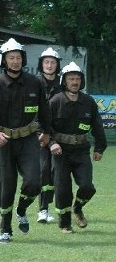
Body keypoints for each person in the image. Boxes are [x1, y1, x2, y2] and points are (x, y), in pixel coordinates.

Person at [0, 38, 52, 243]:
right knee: (7, 186)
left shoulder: (34, 82)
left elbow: (44, 108)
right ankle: (5, 229)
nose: (15, 61)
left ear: (24, 59)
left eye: (18, 57)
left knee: (33, 182)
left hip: (29, 139)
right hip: (4, 143)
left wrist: (47, 132)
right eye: (11, 57)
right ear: (4, 60)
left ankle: (21, 210)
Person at [48, 62, 106, 233]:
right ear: (64, 81)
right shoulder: (55, 101)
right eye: (71, 79)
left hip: (81, 150)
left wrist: (99, 148)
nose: (75, 82)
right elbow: (43, 126)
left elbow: (97, 126)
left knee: (87, 186)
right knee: (63, 189)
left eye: (78, 78)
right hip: (60, 153)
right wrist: (52, 143)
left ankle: (78, 208)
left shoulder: (88, 102)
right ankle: (64, 224)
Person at [36, 47, 63, 224]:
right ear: (41, 64)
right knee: (43, 171)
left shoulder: (62, 86)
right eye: (46, 62)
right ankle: (42, 210)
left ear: (57, 64)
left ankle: (50, 206)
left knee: (55, 173)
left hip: (57, 136)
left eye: (52, 62)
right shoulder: (34, 83)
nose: (49, 65)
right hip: (38, 135)